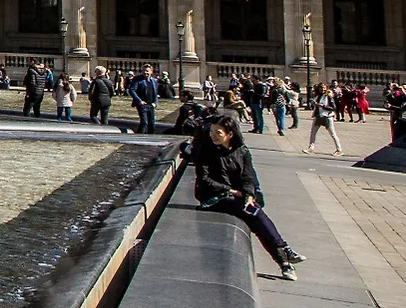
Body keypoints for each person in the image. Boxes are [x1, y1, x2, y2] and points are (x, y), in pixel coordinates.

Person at [189, 114, 304, 280]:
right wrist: (232, 191)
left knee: (252, 212)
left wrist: (249, 194)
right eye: (212, 131)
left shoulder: (242, 151)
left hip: (237, 197)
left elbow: (248, 176)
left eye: (218, 132)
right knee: (252, 212)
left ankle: (284, 261)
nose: (213, 135)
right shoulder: (206, 151)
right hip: (212, 197)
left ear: (230, 134)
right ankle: (284, 254)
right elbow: (204, 180)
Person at [305, 83, 345, 156]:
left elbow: (333, 107)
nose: (322, 89)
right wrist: (314, 105)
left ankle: (339, 149)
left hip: (327, 117)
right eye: (321, 88)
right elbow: (316, 106)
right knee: (313, 132)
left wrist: (321, 106)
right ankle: (311, 148)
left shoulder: (328, 96)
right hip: (318, 116)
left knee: (332, 134)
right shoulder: (317, 96)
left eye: (324, 88)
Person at [130, 65, 161, 134]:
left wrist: (155, 103)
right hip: (142, 104)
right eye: (143, 71)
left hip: (151, 105)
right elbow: (132, 90)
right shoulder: (137, 79)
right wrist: (139, 101)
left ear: (151, 72)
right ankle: (139, 137)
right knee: (144, 123)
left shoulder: (154, 81)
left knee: (152, 124)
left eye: (147, 71)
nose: (145, 72)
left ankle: (151, 138)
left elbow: (155, 93)